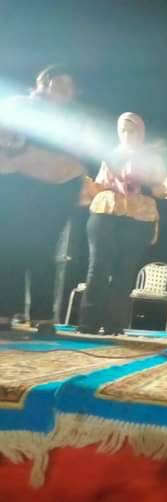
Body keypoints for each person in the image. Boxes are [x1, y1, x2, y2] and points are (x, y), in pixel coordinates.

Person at [77, 112, 167, 335]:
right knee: (98, 267)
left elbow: (160, 190)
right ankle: (88, 323)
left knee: (124, 270)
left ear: (141, 132)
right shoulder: (111, 155)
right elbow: (100, 185)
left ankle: (113, 324)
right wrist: (85, 184)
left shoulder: (152, 158)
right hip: (106, 211)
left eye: (132, 130)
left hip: (139, 216)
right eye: (123, 130)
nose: (127, 134)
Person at [0, 65, 87, 330]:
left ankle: (43, 316)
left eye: (70, 86)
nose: (64, 90)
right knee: (9, 246)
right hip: (18, 185)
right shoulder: (19, 105)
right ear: (43, 83)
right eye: (59, 83)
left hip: (58, 189)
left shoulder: (75, 120)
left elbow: (77, 157)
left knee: (44, 248)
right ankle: (5, 312)